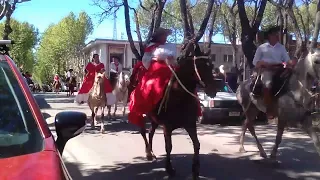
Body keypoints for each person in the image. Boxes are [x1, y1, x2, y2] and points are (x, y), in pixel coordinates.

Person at [253, 26, 294, 119]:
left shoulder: (281, 48)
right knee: (268, 84)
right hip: (266, 69)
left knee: (292, 81)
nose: (278, 36)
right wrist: (262, 63)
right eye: (276, 34)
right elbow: (255, 61)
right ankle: (269, 109)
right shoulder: (261, 48)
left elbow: (287, 60)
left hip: (280, 69)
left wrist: (291, 63)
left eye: (278, 34)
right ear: (270, 35)